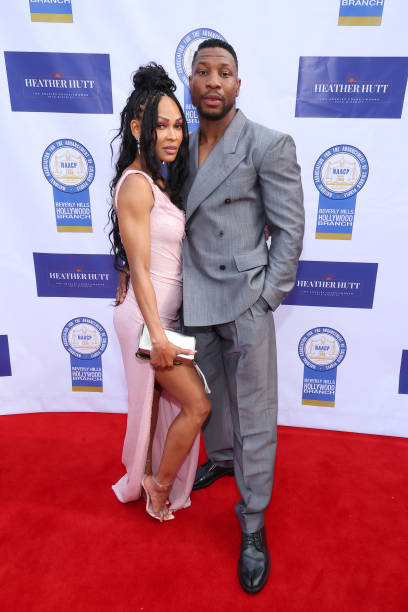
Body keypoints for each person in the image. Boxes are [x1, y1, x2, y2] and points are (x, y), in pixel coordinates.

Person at [182, 39, 304, 593]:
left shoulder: (268, 144)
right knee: (211, 402)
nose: (213, 81)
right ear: (191, 83)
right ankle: (223, 459)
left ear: (238, 84)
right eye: (202, 72)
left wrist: (266, 299)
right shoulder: (175, 146)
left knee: (254, 415)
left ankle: (252, 523)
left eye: (223, 72)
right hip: (193, 300)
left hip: (244, 298)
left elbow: (290, 230)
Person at [109, 64, 210, 522]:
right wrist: (158, 338)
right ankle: (156, 486)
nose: (172, 136)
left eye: (177, 125)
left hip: (162, 320)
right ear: (137, 129)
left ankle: (148, 475)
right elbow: (144, 270)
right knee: (196, 404)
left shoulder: (160, 182)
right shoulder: (135, 185)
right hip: (147, 322)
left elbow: (149, 258)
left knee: (156, 408)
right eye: (160, 126)